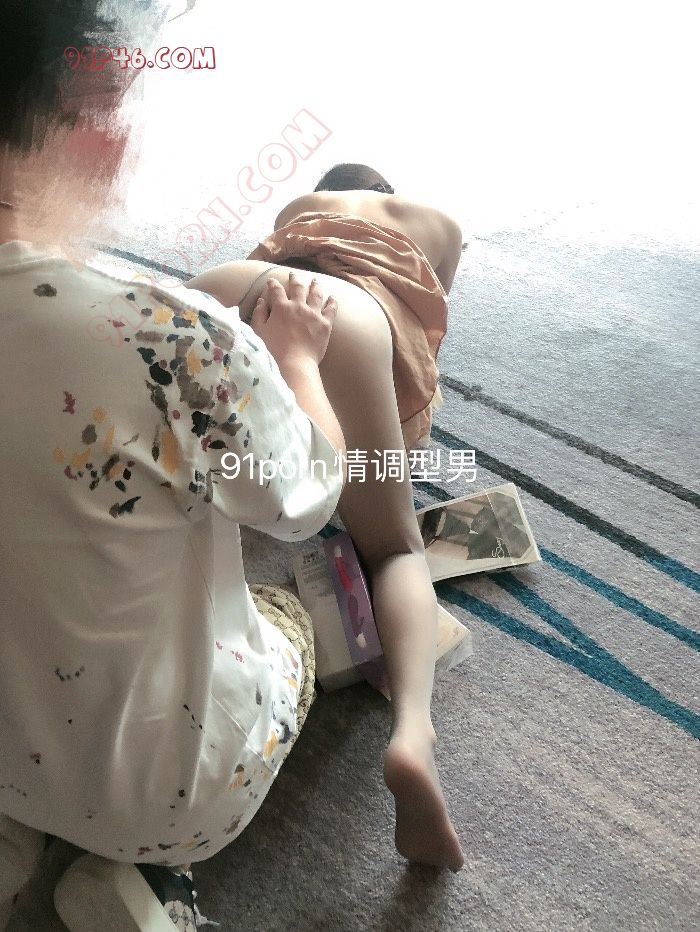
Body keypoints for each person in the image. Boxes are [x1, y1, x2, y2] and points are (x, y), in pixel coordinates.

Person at [0, 3, 346, 929]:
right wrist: (300, 363)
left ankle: (15, 839)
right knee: (288, 618)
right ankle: (149, 874)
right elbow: (306, 497)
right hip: (168, 790)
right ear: (90, 124)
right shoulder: (171, 338)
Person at [186, 163, 466, 873]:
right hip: (346, 317)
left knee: (185, 478)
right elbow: (421, 351)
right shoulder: (440, 226)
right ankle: (412, 734)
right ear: (389, 195)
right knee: (396, 549)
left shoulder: (303, 204)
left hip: (234, 290)